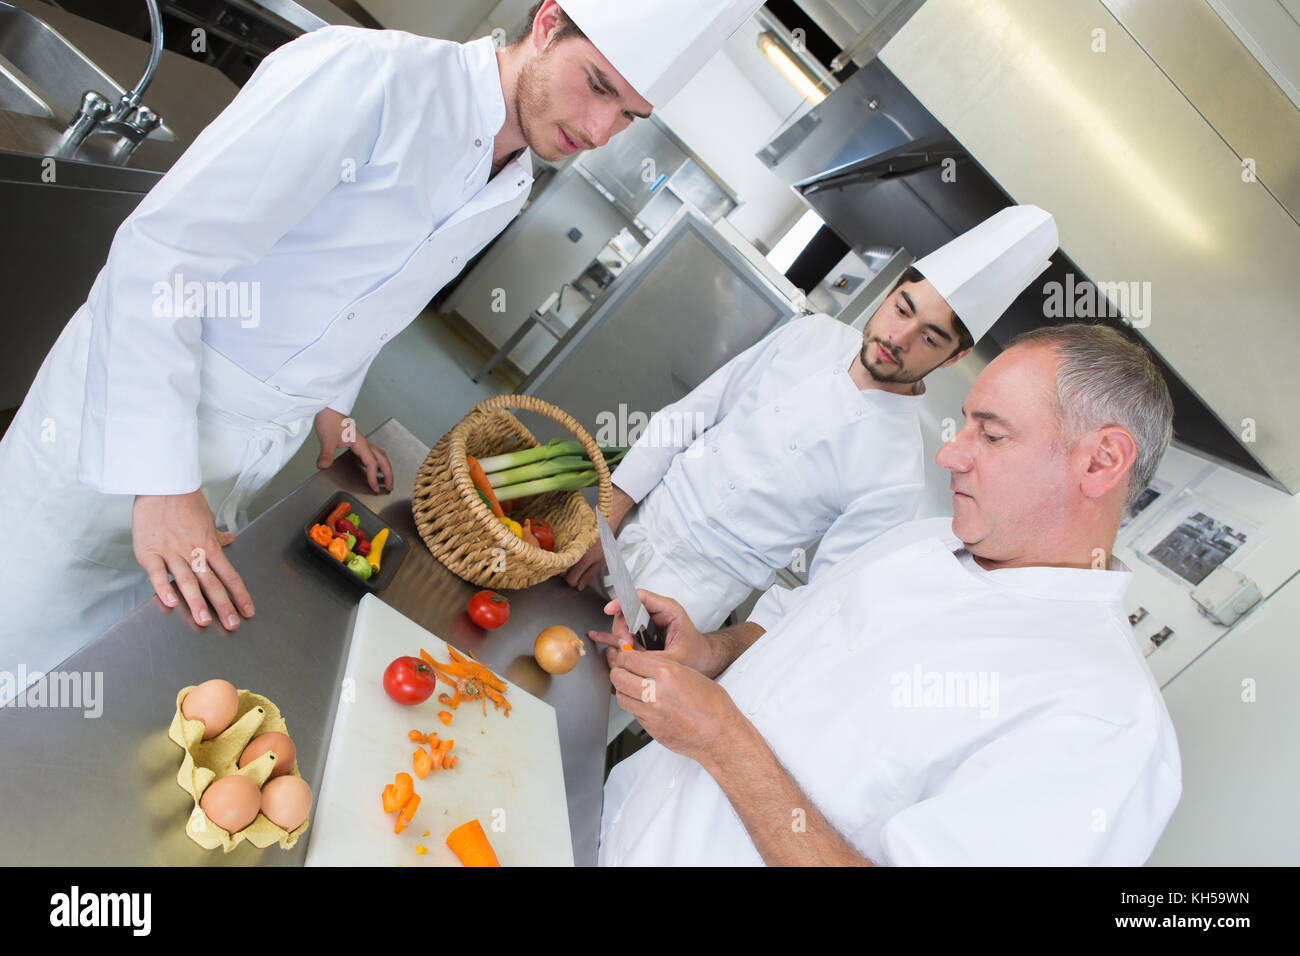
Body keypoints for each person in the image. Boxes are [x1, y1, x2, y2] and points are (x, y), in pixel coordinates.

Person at [0, 0, 763, 697]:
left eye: (628, 114)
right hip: (123, 426)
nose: (599, 133)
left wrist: (334, 409)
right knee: (21, 637)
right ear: (547, 21)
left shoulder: (510, 181)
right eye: (597, 85)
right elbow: (160, 259)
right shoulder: (367, 79)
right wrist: (162, 481)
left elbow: (370, 296)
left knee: (101, 670)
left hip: (244, 458)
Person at [592, 322, 1182, 865]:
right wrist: (707, 654)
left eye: (992, 435)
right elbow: (789, 629)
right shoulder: (923, 541)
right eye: (966, 424)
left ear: (1102, 461)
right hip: (611, 832)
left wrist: (722, 740)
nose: (950, 453)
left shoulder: (1104, 719)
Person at [567, 206, 1060, 635]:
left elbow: (817, 600)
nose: (899, 337)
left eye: (930, 338)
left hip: (687, 599)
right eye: (902, 309)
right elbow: (689, 416)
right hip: (629, 520)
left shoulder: (897, 476)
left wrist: (703, 653)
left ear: (955, 357)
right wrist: (606, 520)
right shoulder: (810, 336)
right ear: (890, 293)